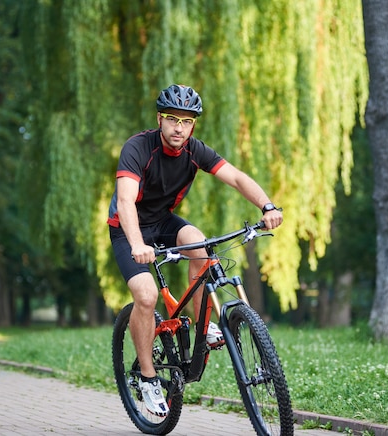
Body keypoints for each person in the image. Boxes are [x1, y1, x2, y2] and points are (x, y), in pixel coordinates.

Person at [107, 84, 283, 417]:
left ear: (193, 125)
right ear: (160, 119)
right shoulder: (137, 148)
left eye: (186, 122)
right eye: (172, 119)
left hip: (163, 221)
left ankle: (200, 327)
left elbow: (235, 177)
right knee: (145, 296)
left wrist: (267, 205)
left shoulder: (194, 150)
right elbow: (127, 201)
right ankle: (147, 377)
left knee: (200, 245)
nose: (179, 127)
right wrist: (137, 245)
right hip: (127, 229)